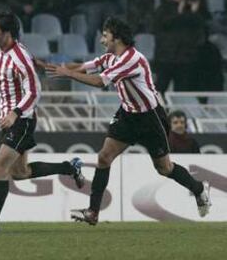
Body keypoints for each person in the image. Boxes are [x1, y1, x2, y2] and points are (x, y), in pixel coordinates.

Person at [46, 17, 211, 225]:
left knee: (164, 168)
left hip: (150, 119)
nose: (102, 39)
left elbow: (99, 82)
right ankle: (93, 212)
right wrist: (56, 68)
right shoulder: (111, 57)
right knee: (104, 157)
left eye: (105, 35)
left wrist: (67, 73)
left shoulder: (132, 59)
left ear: (117, 37)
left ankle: (198, 189)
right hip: (127, 115)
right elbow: (86, 67)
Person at [0, 10, 85, 234]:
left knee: (0, 167)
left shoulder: (21, 57)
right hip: (9, 120)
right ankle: (69, 167)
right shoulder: (1, 51)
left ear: (7, 33)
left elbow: (35, 91)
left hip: (21, 121)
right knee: (20, 172)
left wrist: (15, 112)